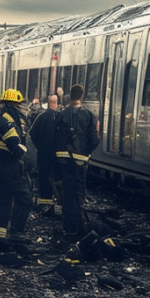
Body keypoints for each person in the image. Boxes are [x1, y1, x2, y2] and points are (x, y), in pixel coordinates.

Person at [0, 88, 31, 252]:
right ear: (14, 104)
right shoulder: (7, 118)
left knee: (4, 201)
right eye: (20, 104)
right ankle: (16, 233)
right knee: (25, 196)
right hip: (7, 164)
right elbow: (14, 143)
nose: (23, 107)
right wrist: (25, 153)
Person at [55, 84, 100, 241]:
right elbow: (94, 139)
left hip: (63, 159)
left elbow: (56, 135)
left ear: (70, 95)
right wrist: (86, 153)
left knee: (67, 192)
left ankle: (69, 227)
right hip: (80, 160)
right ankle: (75, 229)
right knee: (78, 194)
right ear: (81, 96)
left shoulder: (61, 113)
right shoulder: (88, 114)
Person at [29, 93, 61, 217]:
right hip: (58, 155)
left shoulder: (41, 116)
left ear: (48, 103)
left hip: (44, 154)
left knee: (43, 178)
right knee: (57, 179)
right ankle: (58, 203)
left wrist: (40, 146)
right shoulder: (61, 117)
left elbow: (32, 133)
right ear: (56, 103)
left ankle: (45, 205)